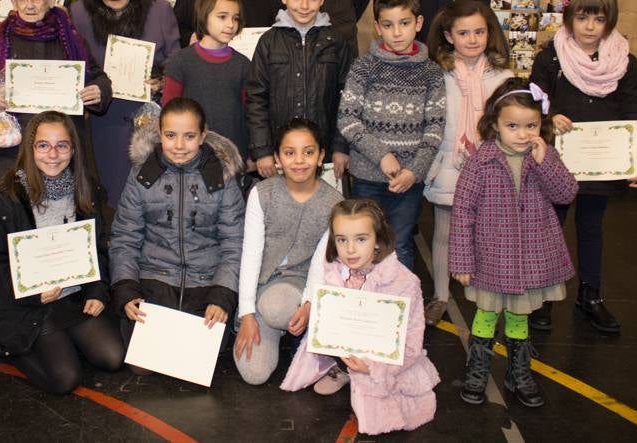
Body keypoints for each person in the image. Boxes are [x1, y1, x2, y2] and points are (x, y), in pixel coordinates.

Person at [0, 111, 125, 392]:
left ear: (73, 150)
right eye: (43, 145)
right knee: (64, 379)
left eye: (62, 145)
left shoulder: (85, 189)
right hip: (25, 303)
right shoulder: (8, 195)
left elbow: (97, 248)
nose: (53, 154)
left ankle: (58, 339)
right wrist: (30, 291)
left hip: (72, 296)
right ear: (31, 148)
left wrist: (97, 290)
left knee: (112, 357)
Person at [529, 0, 637, 334]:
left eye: (599, 19)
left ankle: (590, 297)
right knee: (551, 229)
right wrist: (550, 120)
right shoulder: (551, 56)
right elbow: (532, 102)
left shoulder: (624, 61)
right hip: (558, 163)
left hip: (604, 163)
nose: (590, 26)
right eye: (582, 18)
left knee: (592, 228)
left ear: (610, 21)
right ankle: (545, 297)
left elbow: (635, 109)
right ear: (569, 17)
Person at [451, 78, 577, 408]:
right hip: (491, 259)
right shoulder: (481, 161)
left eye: (531, 125)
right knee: (486, 314)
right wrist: (462, 262)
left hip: (530, 259)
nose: (522, 134)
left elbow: (566, 193)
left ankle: (518, 372)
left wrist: (545, 159)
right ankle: (477, 369)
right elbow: (463, 211)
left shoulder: (543, 156)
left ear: (541, 124)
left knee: (520, 318)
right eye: (512, 125)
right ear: (495, 124)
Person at [280, 199, 439, 435]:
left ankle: (359, 371)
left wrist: (372, 367)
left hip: (383, 363)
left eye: (361, 239)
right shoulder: (334, 269)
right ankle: (344, 368)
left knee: (385, 405)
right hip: (348, 349)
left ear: (378, 240)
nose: (350, 249)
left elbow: (411, 345)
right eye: (342, 240)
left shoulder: (405, 283)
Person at [109, 98, 245, 363]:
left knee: (198, 360)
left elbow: (234, 242)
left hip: (206, 283)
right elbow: (125, 238)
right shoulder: (141, 175)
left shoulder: (222, 178)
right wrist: (127, 290)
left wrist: (222, 295)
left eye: (189, 136)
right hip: (154, 280)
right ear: (159, 134)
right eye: (170, 135)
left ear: (203, 136)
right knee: (144, 365)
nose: (179, 145)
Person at [0, 0, 112, 182]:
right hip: (14, 149)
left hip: (62, 148)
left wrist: (99, 91)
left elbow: (98, 77)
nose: (29, 5)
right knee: (18, 210)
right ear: (13, 1)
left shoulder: (71, 38)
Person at [337, 0, 445, 272]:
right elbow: (348, 119)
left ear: (418, 24)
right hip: (366, 178)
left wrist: (414, 171)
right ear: (377, 28)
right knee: (363, 245)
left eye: (405, 23)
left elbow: (434, 129)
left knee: (400, 244)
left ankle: (402, 311)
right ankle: (364, 308)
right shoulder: (364, 67)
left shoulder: (431, 73)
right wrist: (382, 155)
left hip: (408, 181)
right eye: (388, 25)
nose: (397, 32)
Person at [422, 0, 512, 324]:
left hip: (490, 167)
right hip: (449, 163)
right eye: (463, 33)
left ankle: (487, 289)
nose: (472, 39)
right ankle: (441, 296)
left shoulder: (503, 75)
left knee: (486, 233)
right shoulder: (436, 73)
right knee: (444, 232)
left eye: (479, 32)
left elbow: (511, 120)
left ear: (490, 33)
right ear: (448, 36)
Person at [233, 119, 342, 385]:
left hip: (296, 287)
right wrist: (246, 314)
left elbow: (321, 262)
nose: (299, 161)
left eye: (308, 152)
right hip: (260, 286)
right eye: (290, 152)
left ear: (321, 157)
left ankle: (286, 322)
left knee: (277, 307)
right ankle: (269, 324)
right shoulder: (261, 193)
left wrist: (308, 304)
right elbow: (250, 254)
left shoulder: (334, 203)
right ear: (278, 158)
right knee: (254, 375)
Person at [70, 0, 180, 208]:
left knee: (157, 186)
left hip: (151, 112)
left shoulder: (159, 9)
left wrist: (163, 79)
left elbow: (176, 57)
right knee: (115, 187)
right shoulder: (78, 14)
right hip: (105, 116)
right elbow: (75, 62)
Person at [247, 0, 353, 182]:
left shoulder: (336, 41)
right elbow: (256, 98)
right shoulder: (268, 41)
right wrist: (263, 150)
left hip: (323, 153)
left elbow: (348, 100)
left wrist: (340, 146)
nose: (304, 6)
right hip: (279, 153)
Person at [163, 0, 250, 158]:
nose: (230, 24)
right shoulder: (180, 61)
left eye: (235, 18)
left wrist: (251, 156)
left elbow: (250, 115)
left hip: (232, 158)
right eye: (222, 17)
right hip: (189, 158)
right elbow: (169, 112)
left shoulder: (243, 65)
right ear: (203, 16)